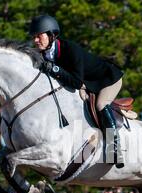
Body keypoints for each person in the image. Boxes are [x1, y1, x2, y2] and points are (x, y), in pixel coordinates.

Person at [30, 15, 125, 168]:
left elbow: (76, 82)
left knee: (101, 104)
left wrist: (54, 69)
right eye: (34, 37)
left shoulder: (70, 49)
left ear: (51, 35)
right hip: (86, 84)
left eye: (38, 36)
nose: (35, 40)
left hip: (107, 79)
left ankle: (115, 148)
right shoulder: (43, 55)